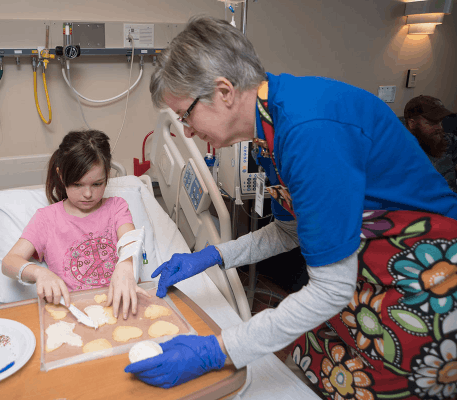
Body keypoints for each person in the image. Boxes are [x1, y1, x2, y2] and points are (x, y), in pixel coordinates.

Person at [124, 16, 457, 399]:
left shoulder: (308, 131)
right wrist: (215, 255)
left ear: (224, 92)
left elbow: (330, 288)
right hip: (364, 277)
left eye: (186, 115)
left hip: (423, 280)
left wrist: (220, 350)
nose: (186, 130)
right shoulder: (270, 129)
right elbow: (289, 230)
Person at [2, 130, 149, 319]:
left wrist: (126, 265)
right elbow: (9, 262)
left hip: (123, 306)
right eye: (78, 185)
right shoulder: (46, 219)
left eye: (97, 184)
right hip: (76, 314)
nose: (88, 194)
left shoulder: (116, 207)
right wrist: (40, 273)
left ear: (107, 175)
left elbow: (130, 241)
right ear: (61, 176)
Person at [404, 95, 457, 193]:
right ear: (412, 123)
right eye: (432, 123)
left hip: (451, 202)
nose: (439, 127)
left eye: (440, 122)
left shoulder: (449, 141)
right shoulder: (399, 150)